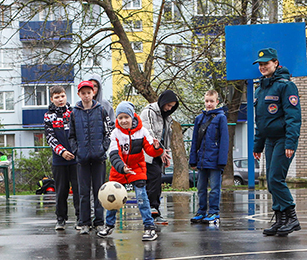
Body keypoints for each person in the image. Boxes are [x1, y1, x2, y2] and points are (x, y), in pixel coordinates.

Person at [253, 47, 302, 236]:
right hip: (270, 140)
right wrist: (258, 145)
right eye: (260, 64)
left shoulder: (285, 85)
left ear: (275, 63)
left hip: (283, 139)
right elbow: (261, 121)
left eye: (266, 63)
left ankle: (292, 217)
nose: (262, 67)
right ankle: (281, 220)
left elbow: (293, 116)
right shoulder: (260, 89)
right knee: (272, 181)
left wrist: (290, 142)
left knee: (275, 178)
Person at [98, 102, 164, 242]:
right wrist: (122, 167)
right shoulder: (115, 133)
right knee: (112, 198)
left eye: (126, 117)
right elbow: (114, 154)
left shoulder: (142, 131)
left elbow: (151, 150)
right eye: (120, 118)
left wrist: (158, 148)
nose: (123, 121)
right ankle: (109, 225)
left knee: (142, 197)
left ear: (132, 116)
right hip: (119, 170)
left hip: (137, 169)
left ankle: (149, 227)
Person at [69, 80, 113, 234]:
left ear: (93, 93)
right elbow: (71, 135)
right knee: (83, 191)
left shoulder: (101, 110)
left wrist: (103, 148)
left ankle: (99, 221)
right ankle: (84, 222)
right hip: (82, 158)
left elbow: (109, 131)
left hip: (99, 157)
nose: (86, 96)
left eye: (89, 93)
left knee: (99, 191)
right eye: (83, 93)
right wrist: (77, 150)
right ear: (79, 94)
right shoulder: (75, 112)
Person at [188, 89, 229, 224]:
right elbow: (195, 141)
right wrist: (193, 159)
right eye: (207, 101)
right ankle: (201, 211)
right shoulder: (199, 119)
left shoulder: (221, 118)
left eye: (211, 101)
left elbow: (224, 141)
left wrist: (222, 161)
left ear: (217, 102)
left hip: (215, 160)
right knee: (201, 188)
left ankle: (214, 212)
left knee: (214, 189)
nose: (209, 104)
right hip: (202, 160)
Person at [140, 90, 180, 224]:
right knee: (153, 178)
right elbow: (149, 133)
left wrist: (166, 156)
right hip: (148, 152)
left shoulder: (167, 118)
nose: (169, 108)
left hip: (159, 153)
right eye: (168, 105)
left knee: (157, 181)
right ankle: (152, 209)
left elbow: (165, 137)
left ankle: (153, 209)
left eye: (172, 107)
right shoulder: (149, 112)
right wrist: (161, 151)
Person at [44, 85, 79, 230]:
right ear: (52, 99)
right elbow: (50, 137)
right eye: (57, 97)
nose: (60, 99)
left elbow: (79, 134)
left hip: (76, 159)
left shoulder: (74, 112)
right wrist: (62, 152)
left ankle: (81, 218)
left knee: (78, 190)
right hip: (59, 160)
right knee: (61, 190)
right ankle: (61, 218)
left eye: (62, 96)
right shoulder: (48, 116)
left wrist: (75, 151)